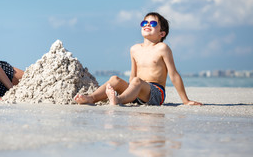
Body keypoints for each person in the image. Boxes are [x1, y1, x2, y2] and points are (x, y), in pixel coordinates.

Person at [74, 12, 202, 106]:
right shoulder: (134, 49)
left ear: (162, 34)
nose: (147, 24)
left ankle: (118, 100)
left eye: (152, 23)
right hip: (136, 89)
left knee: (137, 81)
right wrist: (130, 91)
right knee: (115, 79)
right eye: (144, 22)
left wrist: (186, 101)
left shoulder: (162, 48)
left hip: (155, 93)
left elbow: (174, 75)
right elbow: (133, 75)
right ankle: (91, 98)